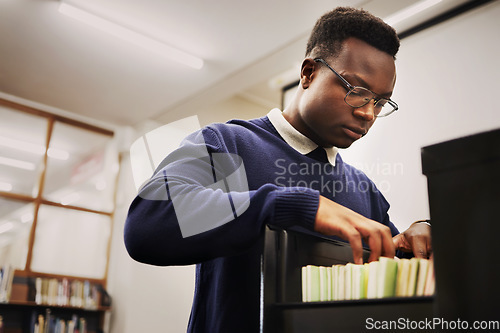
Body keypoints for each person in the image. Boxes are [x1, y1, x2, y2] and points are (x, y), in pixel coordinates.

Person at [124, 6, 432, 333]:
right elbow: (147, 224)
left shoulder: (364, 189)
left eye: (381, 102)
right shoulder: (229, 144)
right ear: (309, 73)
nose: (369, 114)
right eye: (357, 92)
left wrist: (416, 240)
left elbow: (392, 286)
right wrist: (292, 205)